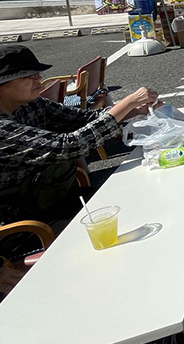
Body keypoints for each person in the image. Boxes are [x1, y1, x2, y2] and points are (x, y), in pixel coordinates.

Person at [0, 45, 159, 246]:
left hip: (51, 199)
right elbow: (69, 146)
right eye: (30, 76)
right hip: (22, 226)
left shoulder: (30, 104)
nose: (39, 78)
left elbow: (83, 119)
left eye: (37, 73)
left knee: (129, 203)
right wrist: (127, 103)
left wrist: (135, 110)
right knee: (120, 229)